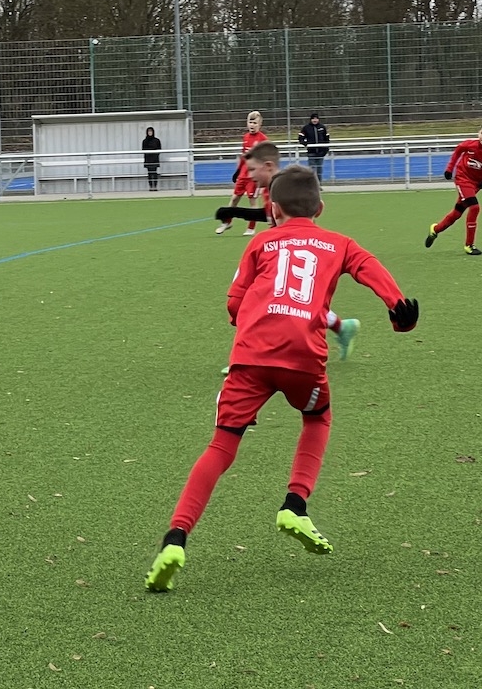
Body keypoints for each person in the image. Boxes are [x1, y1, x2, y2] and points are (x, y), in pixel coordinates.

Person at [145, 165, 419, 593]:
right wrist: (397, 307)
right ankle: (295, 504)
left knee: (222, 446)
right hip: (303, 359)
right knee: (317, 418)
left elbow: (233, 305)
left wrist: (253, 317)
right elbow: (370, 267)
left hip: (251, 358)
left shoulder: (260, 242)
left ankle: (175, 538)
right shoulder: (340, 243)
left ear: (272, 209)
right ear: (320, 208)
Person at [215, 141, 361, 359]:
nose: (250, 175)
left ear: (268, 166)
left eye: (253, 169)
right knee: (291, 299)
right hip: (275, 249)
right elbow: (268, 218)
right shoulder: (274, 187)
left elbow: (275, 219)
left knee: (249, 297)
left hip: (281, 250)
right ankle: (341, 327)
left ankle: (249, 354)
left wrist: (233, 212)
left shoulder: (281, 188)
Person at [425, 128, 482, 256]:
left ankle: (435, 229)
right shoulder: (470, 145)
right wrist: (449, 169)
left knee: (457, 212)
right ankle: (469, 245)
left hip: (476, 184)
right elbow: (458, 151)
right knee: (474, 208)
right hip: (463, 180)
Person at [216, 110, 269, 236]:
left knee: (252, 201)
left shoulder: (263, 139)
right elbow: (244, 157)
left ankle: (251, 228)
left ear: (260, 124)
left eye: (255, 123)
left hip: (253, 177)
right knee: (234, 198)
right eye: (250, 122)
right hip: (243, 175)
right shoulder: (245, 137)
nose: (252, 125)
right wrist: (238, 170)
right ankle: (227, 222)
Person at [298, 113, 331, 178]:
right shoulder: (306, 128)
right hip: (311, 152)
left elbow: (327, 139)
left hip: (321, 152)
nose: (315, 120)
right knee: (311, 170)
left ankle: (318, 183)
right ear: (311, 119)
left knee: (319, 170)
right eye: (313, 119)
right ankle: (312, 183)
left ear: (318, 119)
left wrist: (325, 149)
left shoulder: (322, 127)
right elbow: (300, 138)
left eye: (316, 119)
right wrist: (305, 143)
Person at [142, 127, 163, 191]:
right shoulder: (145, 141)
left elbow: (159, 149)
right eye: (149, 131)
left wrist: (155, 155)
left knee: (154, 173)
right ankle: (151, 186)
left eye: (151, 131)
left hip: (155, 159)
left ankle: (155, 186)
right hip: (148, 159)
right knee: (149, 173)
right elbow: (143, 149)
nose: (150, 133)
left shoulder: (157, 140)